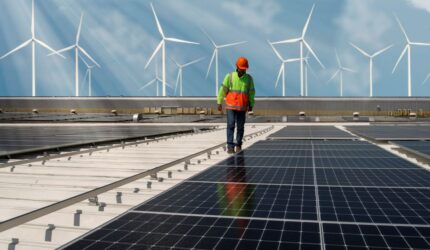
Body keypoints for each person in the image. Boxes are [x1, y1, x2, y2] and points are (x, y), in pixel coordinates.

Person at [217, 57, 255, 154]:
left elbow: (251, 93)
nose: (243, 70)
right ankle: (230, 146)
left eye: (244, 69)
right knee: (231, 125)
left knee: (240, 127)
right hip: (231, 106)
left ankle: (238, 144)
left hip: (242, 107)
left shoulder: (249, 79)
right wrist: (219, 102)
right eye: (241, 68)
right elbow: (223, 90)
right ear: (237, 67)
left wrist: (251, 104)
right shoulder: (229, 76)